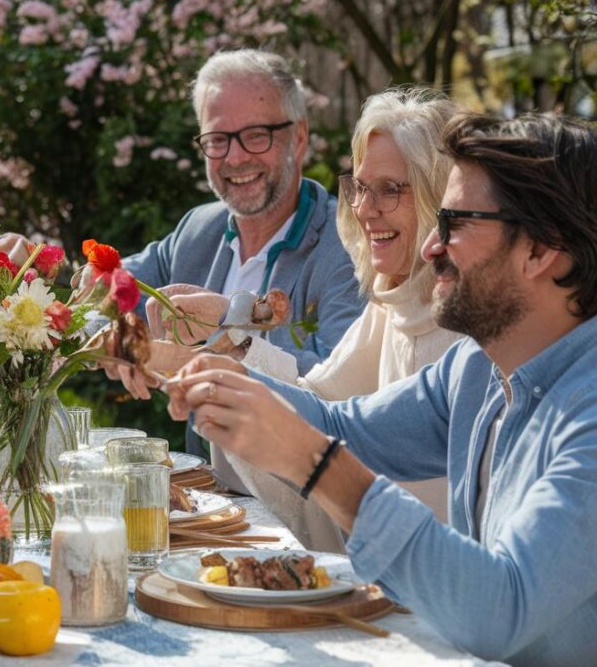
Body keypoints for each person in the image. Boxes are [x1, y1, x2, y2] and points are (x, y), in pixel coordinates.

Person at [171, 112, 597, 665]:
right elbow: (345, 427)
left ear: (541, 249)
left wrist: (319, 465)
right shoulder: (478, 368)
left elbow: (502, 609)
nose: (431, 248)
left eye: (457, 224)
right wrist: (194, 367)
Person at [212, 87, 462, 552]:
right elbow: (321, 403)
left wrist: (229, 352)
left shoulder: (469, 326)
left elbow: (333, 431)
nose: (364, 210)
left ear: (440, 195)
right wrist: (232, 344)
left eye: (390, 190)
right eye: (361, 188)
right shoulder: (393, 300)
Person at [105, 49, 364, 490]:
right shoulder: (199, 229)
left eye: (257, 135)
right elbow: (111, 289)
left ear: (299, 138)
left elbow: (341, 389)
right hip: (209, 504)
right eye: (217, 139)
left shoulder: (349, 246)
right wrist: (123, 334)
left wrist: (229, 322)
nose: (235, 157)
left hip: (305, 514)